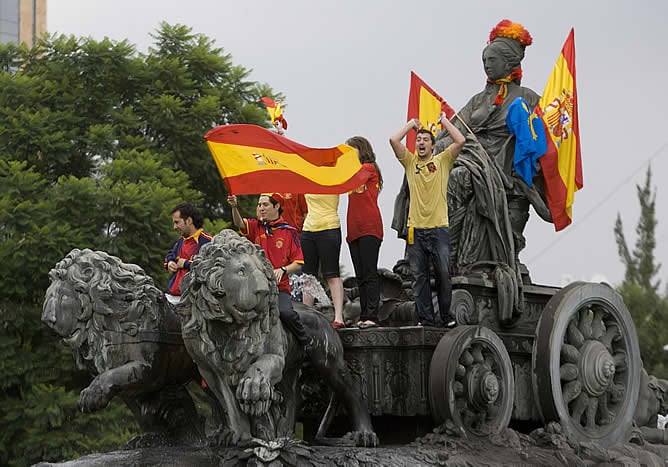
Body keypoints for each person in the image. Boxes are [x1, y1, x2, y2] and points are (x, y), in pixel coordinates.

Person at [389, 112, 465, 328]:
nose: (421, 143)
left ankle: (446, 316)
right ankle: (426, 318)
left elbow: (460, 140)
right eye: (418, 140)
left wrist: (444, 122)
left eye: (425, 140)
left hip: (439, 228)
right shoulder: (410, 163)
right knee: (419, 277)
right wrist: (412, 124)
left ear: (433, 146)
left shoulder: (442, 161)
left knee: (443, 273)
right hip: (416, 230)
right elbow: (393, 140)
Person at [227, 193, 310, 345]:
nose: (261, 208)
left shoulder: (289, 232)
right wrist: (234, 207)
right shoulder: (256, 226)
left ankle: (306, 343)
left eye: (265, 205)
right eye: (259, 205)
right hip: (255, 287)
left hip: (279, 288)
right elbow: (239, 223)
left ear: (277, 206)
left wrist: (283, 269)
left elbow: (298, 262)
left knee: (286, 313)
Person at [345, 136, 384, 329]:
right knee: (360, 275)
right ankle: (364, 314)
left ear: (361, 150)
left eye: (351, 150)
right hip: (354, 230)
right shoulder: (352, 172)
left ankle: (372, 315)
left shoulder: (368, 168)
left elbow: (351, 177)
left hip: (369, 227)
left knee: (369, 273)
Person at [301, 194, 346, 328]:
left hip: (329, 226)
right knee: (308, 276)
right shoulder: (307, 178)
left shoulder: (333, 178)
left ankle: (339, 317)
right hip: (308, 228)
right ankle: (306, 314)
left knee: (332, 274)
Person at [164, 203, 212, 304]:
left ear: (189, 221)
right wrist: (170, 262)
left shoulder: (208, 242)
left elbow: (208, 268)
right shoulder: (181, 241)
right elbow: (170, 254)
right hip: (173, 296)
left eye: (177, 222)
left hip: (195, 301)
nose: (174, 227)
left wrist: (186, 263)